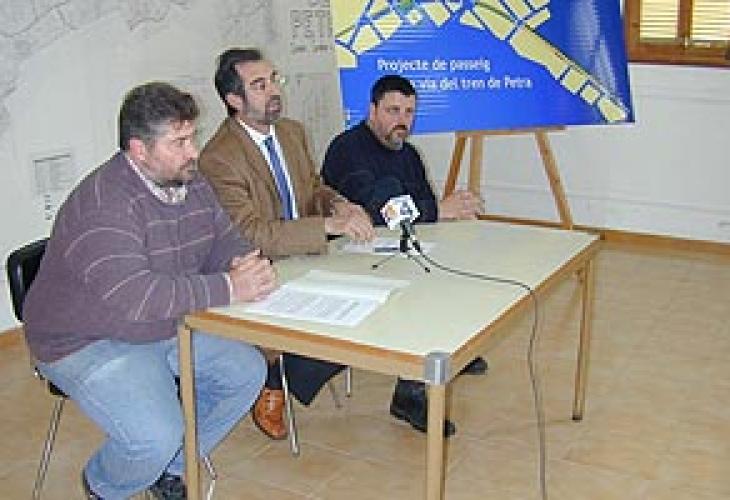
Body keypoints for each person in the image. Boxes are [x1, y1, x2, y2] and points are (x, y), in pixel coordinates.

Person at [23, 82, 276, 499]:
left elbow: (221, 238)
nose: (194, 151)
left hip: (159, 323)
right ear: (139, 150)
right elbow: (137, 296)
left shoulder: (189, 180)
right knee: (156, 434)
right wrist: (229, 286)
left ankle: (168, 470)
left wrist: (241, 261)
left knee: (246, 373)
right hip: (85, 339)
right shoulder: (104, 204)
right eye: (179, 142)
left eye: (192, 136)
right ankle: (104, 486)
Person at [198, 48, 375, 441]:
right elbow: (253, 234)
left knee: (369, 307)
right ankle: (271, 375)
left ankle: (286, 370)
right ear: (234, 100)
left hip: (307, 255)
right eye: (259, 85)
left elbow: (313, 188)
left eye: (274, 79)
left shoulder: (292, 132)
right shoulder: (218, 158)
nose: (274, 90)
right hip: (260, 266)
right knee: (333, 320)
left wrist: (340, 205)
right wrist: (328, 225)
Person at [321, 75, 488, 437]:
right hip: (348, 255)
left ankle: (446, 345)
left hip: (394, 247)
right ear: (372, 110)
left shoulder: (408, 154)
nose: (403, 120)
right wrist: (438, 210)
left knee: (455, 261)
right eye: (393, 110)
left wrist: (448, 212)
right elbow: (378, 210)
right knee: (419, 285)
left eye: (409, 112)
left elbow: (423, 208)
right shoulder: (348, 148)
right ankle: (409, 394)